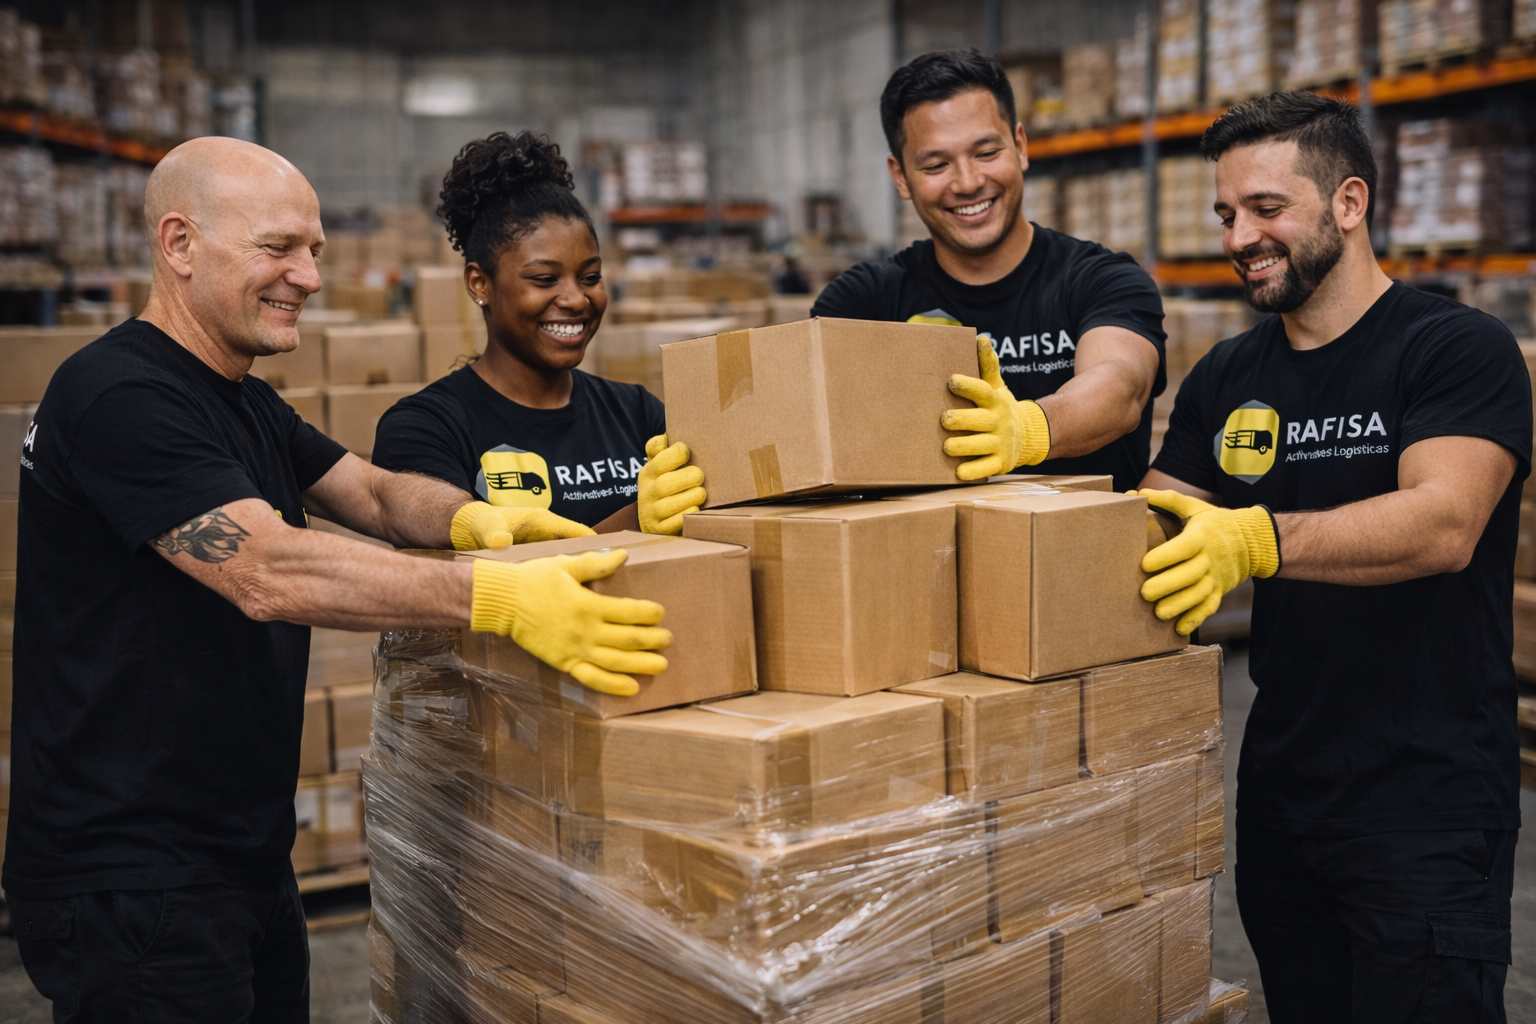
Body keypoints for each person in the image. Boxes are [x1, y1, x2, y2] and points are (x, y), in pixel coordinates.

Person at [2, 136, 673, 1023]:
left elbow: (370, 491)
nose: (308, 277)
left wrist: (474, 517)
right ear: (180, 243)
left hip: (237, 849)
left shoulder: (238, 394)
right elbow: (267, 570)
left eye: (313, 250)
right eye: (278, 249)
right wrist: (497, 595)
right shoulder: (118, 395)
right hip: (132, 873)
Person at [1136, 92, 1528, 1023]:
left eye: (1267, 209)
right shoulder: (1229, 375)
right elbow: (1151, 525)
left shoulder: (1451, 347)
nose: (1241, 235)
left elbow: (1444, 523)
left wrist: (1258, 536)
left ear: (1349, 204)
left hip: (1425, 798)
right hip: (1283, 790)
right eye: (1227, 214)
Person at [811, 48, 1167, 492]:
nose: (967, 182)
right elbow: (804, 425)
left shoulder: (1101, 279)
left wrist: (1027, 428)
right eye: (936, 165)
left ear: (1020, 146)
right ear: (900, 176)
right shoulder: (863, 303)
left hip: (1080, 558)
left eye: (986, 152)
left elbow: (1120, 387)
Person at [372, 132, 705, 536]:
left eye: (591, 277)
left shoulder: (637, 413)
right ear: (480, 283)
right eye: (545, 279)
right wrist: (635, 521)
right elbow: (455, 584)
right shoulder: (426, 428)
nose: (577, 299)